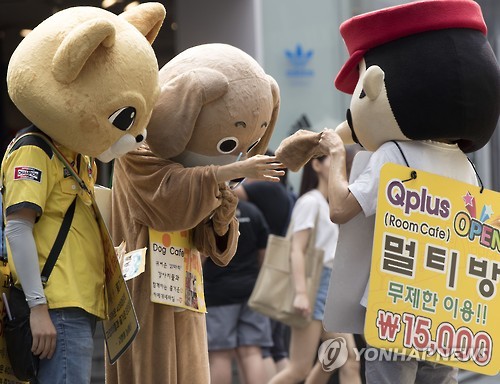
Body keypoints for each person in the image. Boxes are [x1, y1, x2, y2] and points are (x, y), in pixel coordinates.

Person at [269, 155, 361, 384]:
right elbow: (296, 249)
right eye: (332, 160)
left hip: (330, 286)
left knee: (344, 357)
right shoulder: (310, 202)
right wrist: (301, 293)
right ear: (316, 165)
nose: (340, 165)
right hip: (313, 284)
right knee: (299, 368)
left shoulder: (332, 205)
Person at [234, 158, 295, 377]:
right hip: (279, 269)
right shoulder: (286, 195)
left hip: (263, 269)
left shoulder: (264, 188)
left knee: (264, 347)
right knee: (276, 345)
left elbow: (228, 191)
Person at [203, 199, 272, 384]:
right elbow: (264, 253)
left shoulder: (210, 213)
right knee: (252, 351)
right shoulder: (253, 211)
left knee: (220, 354)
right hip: (251, 291)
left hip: (219, 293)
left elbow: (200, 254)